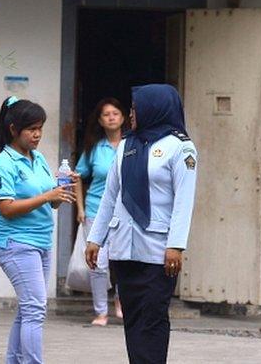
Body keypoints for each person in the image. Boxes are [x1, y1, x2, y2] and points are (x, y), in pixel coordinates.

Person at [85, 84, 198, 364]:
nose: (131, 114)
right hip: (124, 248)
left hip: (159, 251)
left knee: (152, 318)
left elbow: (184, 201)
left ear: (155, 109)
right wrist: (95, 239)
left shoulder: (180, 147)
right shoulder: (127, 145)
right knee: (133, 320)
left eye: (135, 108)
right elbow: (110, 196)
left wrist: (176, 245)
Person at [0, 96, 75, 364]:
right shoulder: (3, 164)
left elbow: (53, 204)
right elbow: (7, 208)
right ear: (13, 129)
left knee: (28, 309)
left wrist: (61, 190)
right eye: (31, 129)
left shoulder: (39, 158)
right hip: (16, 244)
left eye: (40, 128)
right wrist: (47, 196)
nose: (37, 134)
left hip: (41, 243)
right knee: (35, 309)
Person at [73, 98, 127, 325]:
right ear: (100, 121)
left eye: (116, 113)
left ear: (124, 117)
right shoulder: (95, 149)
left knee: (125, 261)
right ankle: (101, 311)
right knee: (98, 262)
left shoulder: (133, 145)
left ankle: (121, 301)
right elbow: (77, 176)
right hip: (96, 211)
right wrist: (80, 208)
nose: (112, 117)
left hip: (126, 212)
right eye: (106, 114)